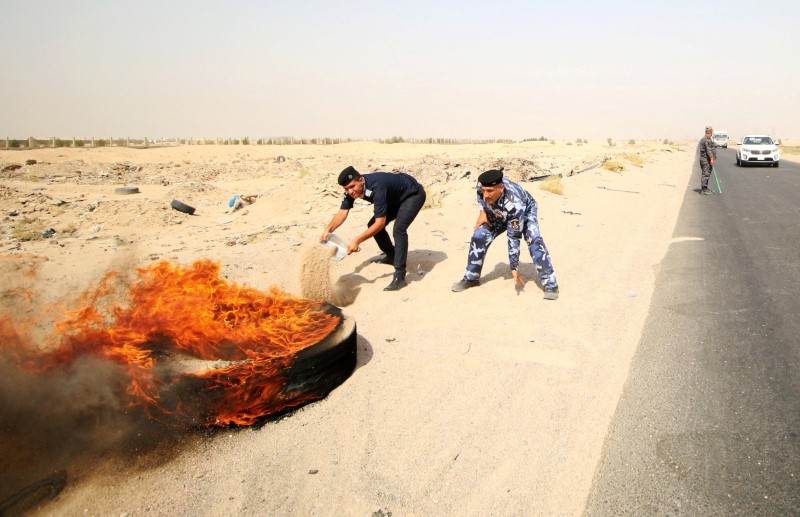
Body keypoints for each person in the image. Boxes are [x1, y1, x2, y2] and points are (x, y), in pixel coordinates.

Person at [451, 168, 559, 300]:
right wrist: (482, 212)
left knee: (534, 239)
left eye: (490, 191)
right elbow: (479, 194)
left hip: (524, 212)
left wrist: (514, 266)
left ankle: (550, 284)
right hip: (496, 210)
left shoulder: (515, 205)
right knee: (478, 236)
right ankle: (471, 278)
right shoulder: (483, 185)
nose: (485, 194)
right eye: (484, 190)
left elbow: (513, 236)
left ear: (501, 188)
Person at [321, 166, 426, 291]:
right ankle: (392, 256)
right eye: (346, 189)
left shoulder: (377, 186)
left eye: (352, 187)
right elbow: (343, 213)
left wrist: (357, 240)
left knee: (399, 230)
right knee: (372, 225)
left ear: (361, 180)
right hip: (395, 198)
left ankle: (400, 276)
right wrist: (328, 230)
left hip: (413, 195)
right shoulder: (352, 191)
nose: (350, 191)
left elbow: (380, 223)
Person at [698, 126, 717, 195]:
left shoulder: (704, 139)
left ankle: (705, 187)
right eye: (712, 131)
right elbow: (708, 150)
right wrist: (712, 159)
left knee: (706, 174)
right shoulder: (707, 140)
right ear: (710, 132)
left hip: (704, 159)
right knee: (705, 174)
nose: (712, 133)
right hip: (706, 160)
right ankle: (703, 190)